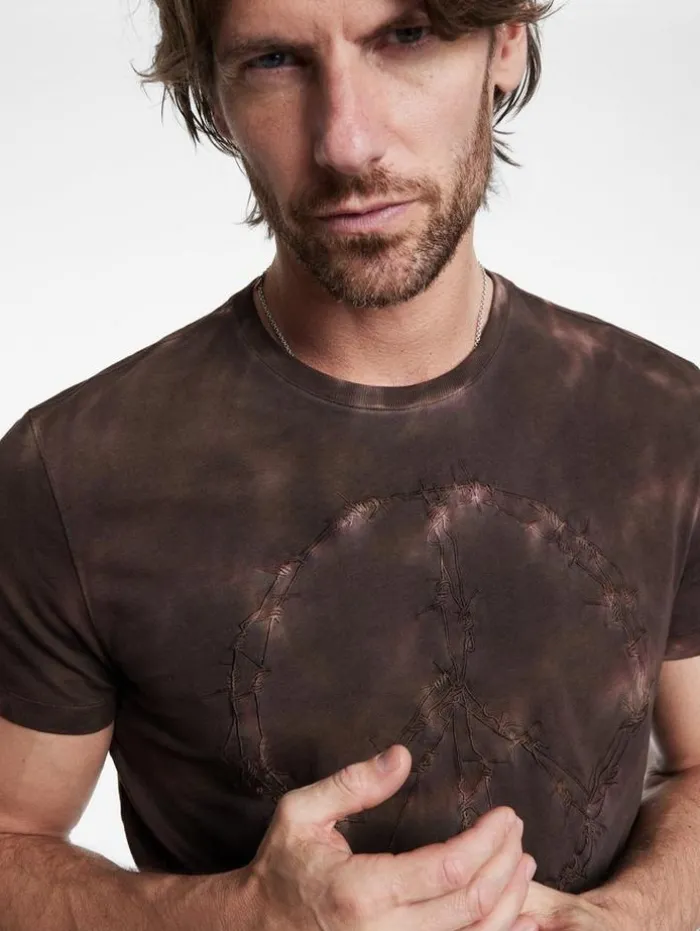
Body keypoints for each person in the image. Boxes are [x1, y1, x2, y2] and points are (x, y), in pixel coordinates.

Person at [1, 0, 699, 929]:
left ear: (505, 42)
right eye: (275, 60)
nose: (346, 141)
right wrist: (241, 917)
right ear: (212, 89)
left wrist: (629, 916)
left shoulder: (664, 423)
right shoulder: (71, 472)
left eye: (405, 37)